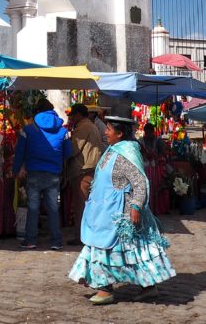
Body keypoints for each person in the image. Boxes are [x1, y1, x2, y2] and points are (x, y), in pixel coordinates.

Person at [68, 116, 176, 305]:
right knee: (128, 251)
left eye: (109, 129)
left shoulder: (126, 154)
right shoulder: (112, 150)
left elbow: (140, 183)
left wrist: (135, 207)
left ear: (119, 134)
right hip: (105, 212)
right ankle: (148, 287)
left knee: (114, 250)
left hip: (119, 215)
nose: (105, 132)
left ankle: (105, 289)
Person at [13, 98, 70, 250]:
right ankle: (56, 241)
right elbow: (68, 153)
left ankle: (30, 240)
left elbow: (20, 152)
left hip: (34, 173)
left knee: (33, 207)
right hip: (54, 174)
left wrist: (15, 170)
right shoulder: (63, 131)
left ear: (37, 112)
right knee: (53, 208)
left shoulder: (28, 130)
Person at [66, 103, 104, 246]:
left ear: (78, 115)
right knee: (89, 204)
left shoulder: (83, 128)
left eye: (72, 116)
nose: (71, 119)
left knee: (81, 204)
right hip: (91, 169)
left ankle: (81, 236)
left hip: (83, 170)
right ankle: (89, 235)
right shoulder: (91, 126)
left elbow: (73, 150)